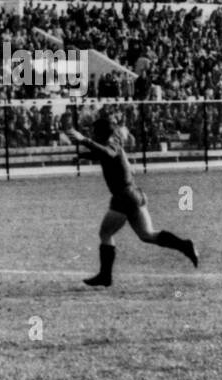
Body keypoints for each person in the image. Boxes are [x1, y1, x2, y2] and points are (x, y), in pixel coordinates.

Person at [70, 114, 198, 287]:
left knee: (105, 234)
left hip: (124, 197)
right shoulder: (113, 143)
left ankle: (105, 276)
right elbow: (102, 154)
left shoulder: (110, 146)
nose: (92, 134)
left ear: (100, 132)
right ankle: (185, 245)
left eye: (94, 132)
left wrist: (83, 140)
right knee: (147, 235)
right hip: (133, 195)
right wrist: (83, 156)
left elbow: (106, 153)